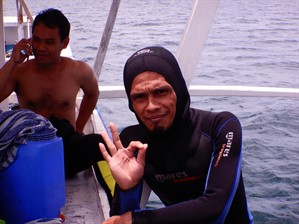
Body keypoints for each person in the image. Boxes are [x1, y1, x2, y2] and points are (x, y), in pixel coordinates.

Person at [99, 46, 254, 223]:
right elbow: (119, 218)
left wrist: (135, 220)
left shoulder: (220, 126)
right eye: (139, 97)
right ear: (131, 103)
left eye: (161, 92)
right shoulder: (133, 142)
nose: (151, 106)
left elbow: (216, 207)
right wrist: (127, 187)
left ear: (178, 91)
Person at [0, 8, 113, 200]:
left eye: (50, 42)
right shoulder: (20, 72)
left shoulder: (79, 71)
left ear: (65, 42)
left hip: (63, 148)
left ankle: (117, 203)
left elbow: (92, 94)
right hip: (29, 151)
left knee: (102, 144)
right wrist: (12, 62)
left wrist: (78, 127)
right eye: (36, 40)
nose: (41, 47)